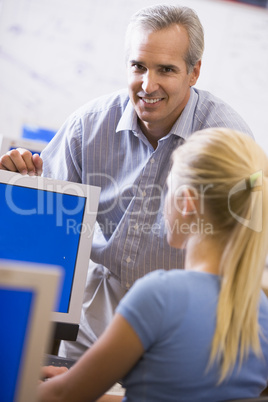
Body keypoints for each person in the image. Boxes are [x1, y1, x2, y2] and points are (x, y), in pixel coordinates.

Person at [0, 5, 254, 360]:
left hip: (184, 323)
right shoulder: (87, 126)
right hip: (98, 317)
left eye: (166, 69)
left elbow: (245, 245)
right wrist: (22, 186)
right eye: (139, 66)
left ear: (194, 72)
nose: (148, 85)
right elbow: (50, 225)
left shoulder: (226, 138)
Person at [38, 127, 268, 401]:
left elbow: (62, 396)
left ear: (185, 203)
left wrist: (29, 380)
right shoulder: (257, 306)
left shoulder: (161, 295)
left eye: (168, 189)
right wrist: (85, 383)